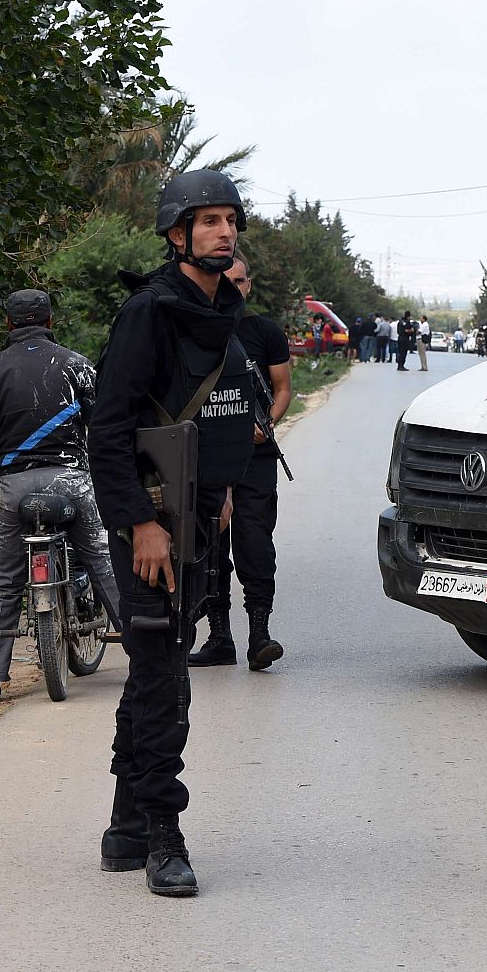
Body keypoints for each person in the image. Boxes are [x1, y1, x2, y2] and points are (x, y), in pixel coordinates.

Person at [89, 168, 256, 897]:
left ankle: (125, 827)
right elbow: (109, 432)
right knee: (165, 681)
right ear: (176, 234)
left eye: (230, 220)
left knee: (158, 668)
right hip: (149, 525)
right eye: (208, 220)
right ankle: (164, 835)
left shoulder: (220, 312)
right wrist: (138, 526)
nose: (224, 231)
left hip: (194, 517)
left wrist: (217, 495)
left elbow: (205, 418)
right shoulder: (149, 314)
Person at [0, 290, 123, 705]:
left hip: (11, 487)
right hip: (71, 480)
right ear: (50, 321)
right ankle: (144, 649)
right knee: (103, 560)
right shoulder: (77, 366)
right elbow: (103, 426)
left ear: (9, 325)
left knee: (4, 581)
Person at [188, 254, 289, 672]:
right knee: (211, 549)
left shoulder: (264, 331)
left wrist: (267, 425)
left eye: (240, 281)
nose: (232, 288)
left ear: (250, 285)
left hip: (255, 459)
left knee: (254, 544)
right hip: (204, 460)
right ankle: (219, 638)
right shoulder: (190, 332)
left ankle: (259, 635)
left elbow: (283, 389)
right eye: (223, 280)